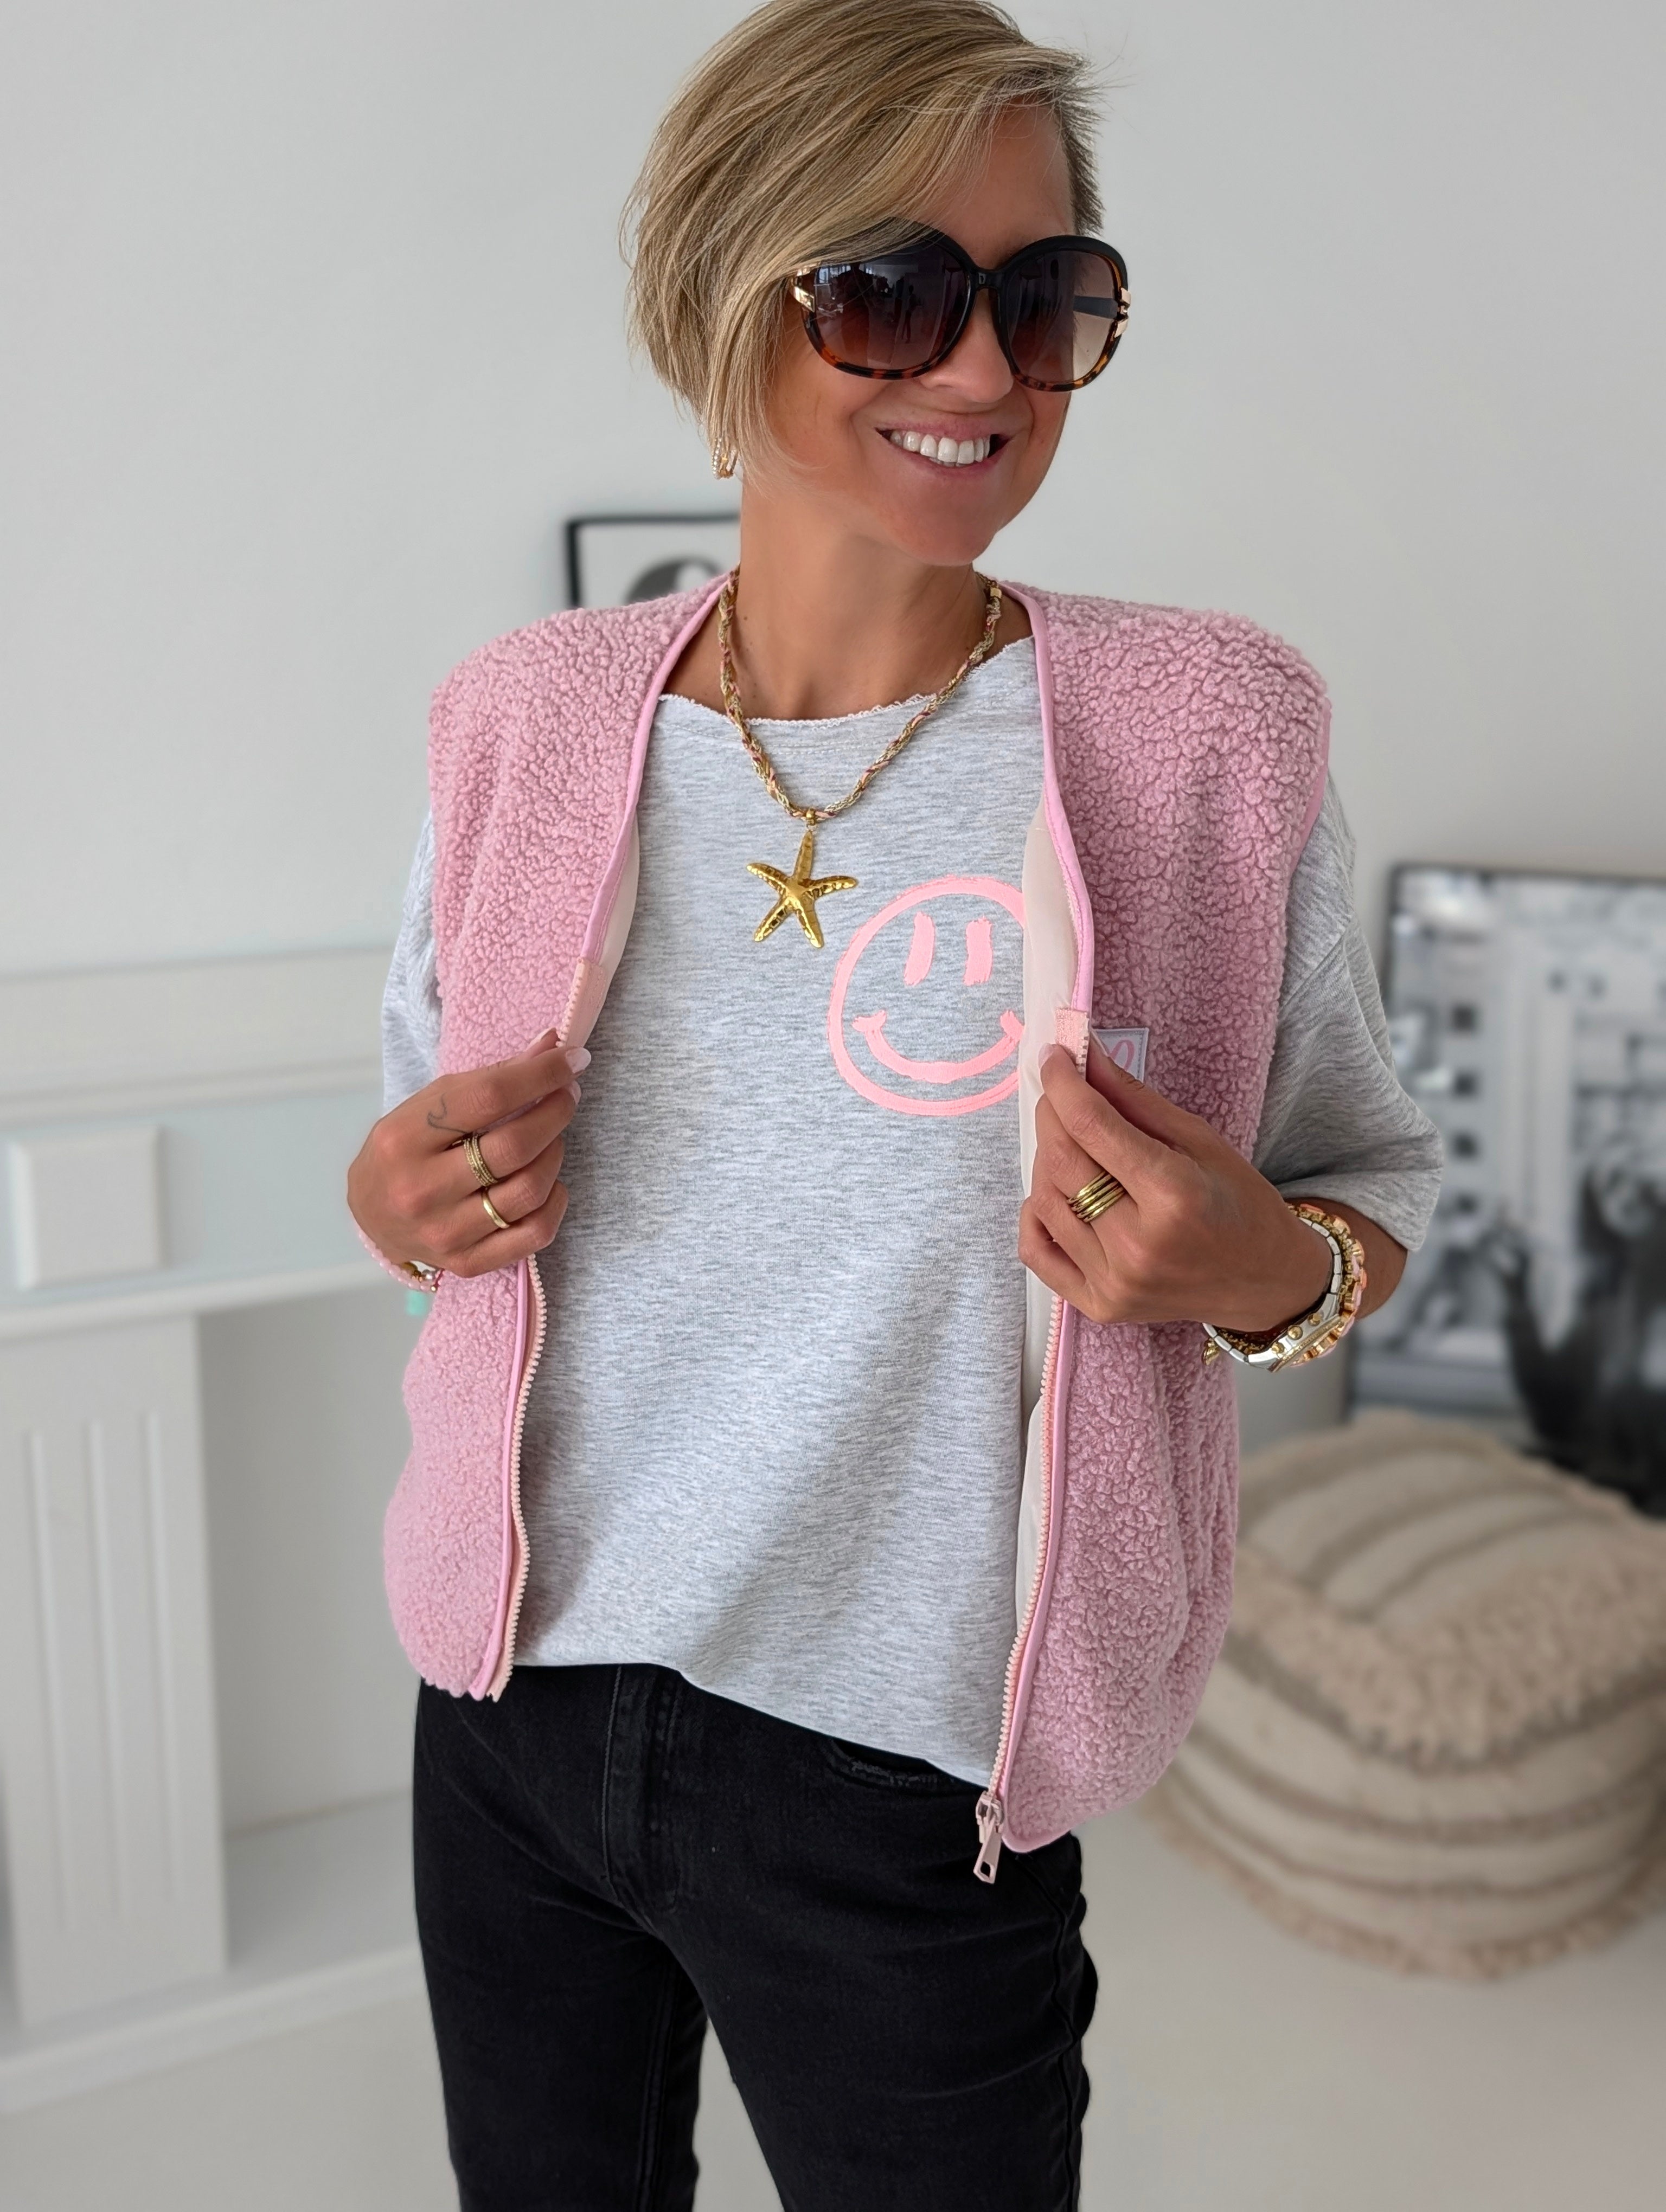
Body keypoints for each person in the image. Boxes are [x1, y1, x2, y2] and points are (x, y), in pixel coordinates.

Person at [347, 2, 1441, 2203]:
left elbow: (1361, 1201)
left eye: (1047, 299)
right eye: (889, 290)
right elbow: (418, 1166)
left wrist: (1261, 1272)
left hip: (904, 1777)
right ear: (723, 291)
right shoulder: (523, 721)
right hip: (510, 1707)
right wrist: (401, 1197)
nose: (981, 370)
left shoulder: (1202, 739)